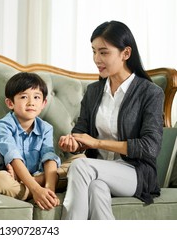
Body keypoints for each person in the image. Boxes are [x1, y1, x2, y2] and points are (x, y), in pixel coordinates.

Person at [58, 20, 164, 220]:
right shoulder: (93, 92)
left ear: (125, 53)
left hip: (135, 173)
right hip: (100, 171)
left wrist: (97, 142)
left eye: (104, 52)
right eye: (93, 51)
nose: (97, 59)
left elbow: (150, 147)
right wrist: (72, 143)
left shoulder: (150, 93)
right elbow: (81, 132)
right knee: (96, 189)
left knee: (80, 166)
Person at [0, 72, 61, 210]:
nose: (31, 102)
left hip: (36, 175)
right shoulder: (4, 125)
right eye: (24, 97)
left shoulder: (46, 128)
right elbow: (13, 156)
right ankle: (35, 190)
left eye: (36, 97)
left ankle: (37, 189)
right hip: (10, 177)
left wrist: (50, 189)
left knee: (77, 164)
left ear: (44, 103)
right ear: (10, 103)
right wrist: (36, 190)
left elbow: (49, 157)